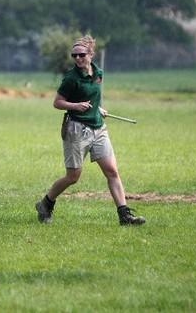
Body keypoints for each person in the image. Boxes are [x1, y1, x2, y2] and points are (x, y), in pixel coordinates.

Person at [35, 35, 145, 225]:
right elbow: (57, 103)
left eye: (81, 55)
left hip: (98, 128)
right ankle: (46, 203)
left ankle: (124, 215)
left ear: (91, 54)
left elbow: (93, 96)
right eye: (74, 55)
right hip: (76, 130)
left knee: (112, 171)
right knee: (73, 177)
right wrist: (76, 106)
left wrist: (97, 108)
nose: (77, 58)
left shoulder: (98, 73)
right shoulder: (70, 78)